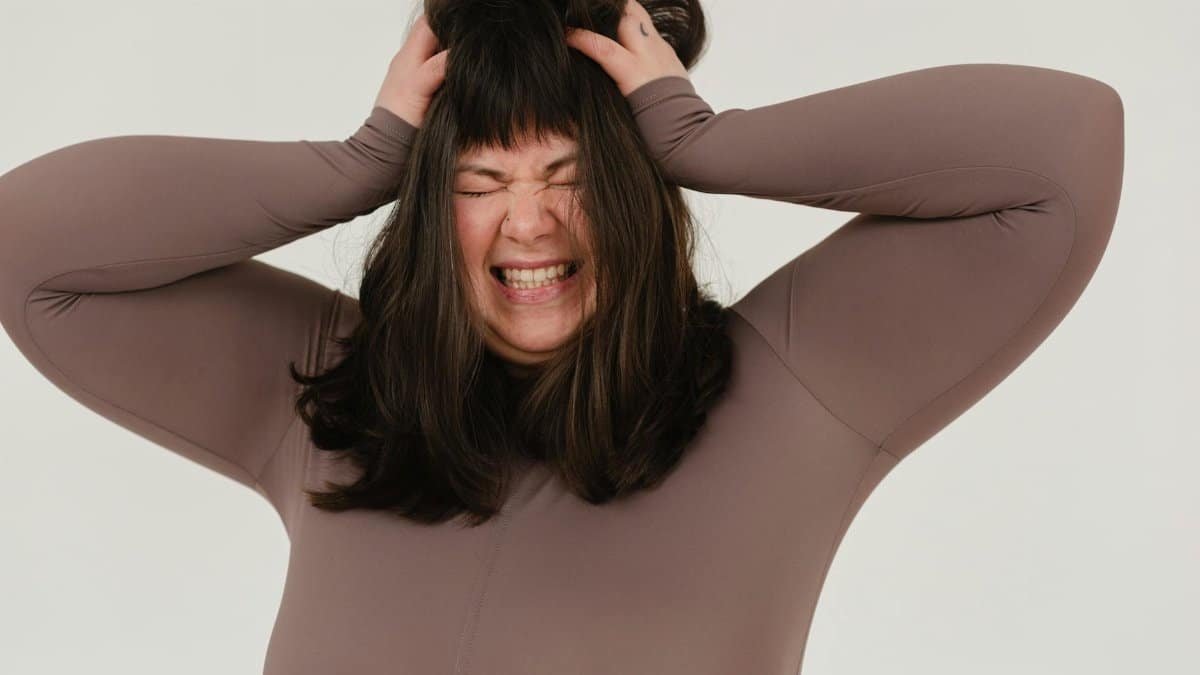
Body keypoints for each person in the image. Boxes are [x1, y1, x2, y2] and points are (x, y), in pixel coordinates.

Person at [0, 0, 1123, 672]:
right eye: (482, 179)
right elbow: (31, 248)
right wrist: (360, 163)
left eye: (574, 177)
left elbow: (1062, 152)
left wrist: (707, 139)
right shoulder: (332, 404)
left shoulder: (792, 390)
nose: (529, 222)